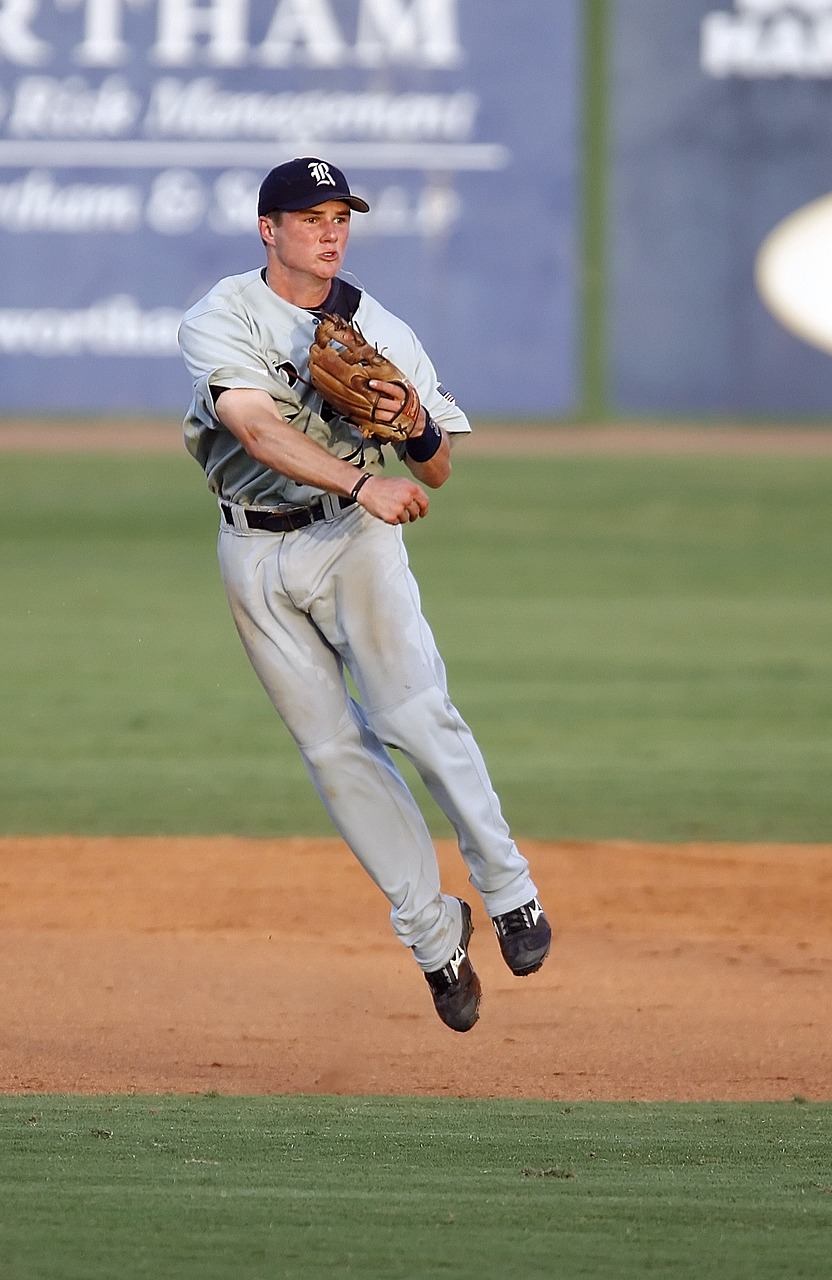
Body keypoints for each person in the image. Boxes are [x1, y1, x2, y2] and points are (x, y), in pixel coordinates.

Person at [177, 156, 551, 1033]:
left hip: (354, 544)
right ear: (269, 230)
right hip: (253, 549)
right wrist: (360, 479)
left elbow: (439, 466)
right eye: (311, 218)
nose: (331, 230)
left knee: (414, 715)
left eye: (341, 215)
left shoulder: (380, 326)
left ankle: (508, 887)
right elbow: (257, 428)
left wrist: (416, 427)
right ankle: (433, 936)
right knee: (335, 754)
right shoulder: (222, 315)